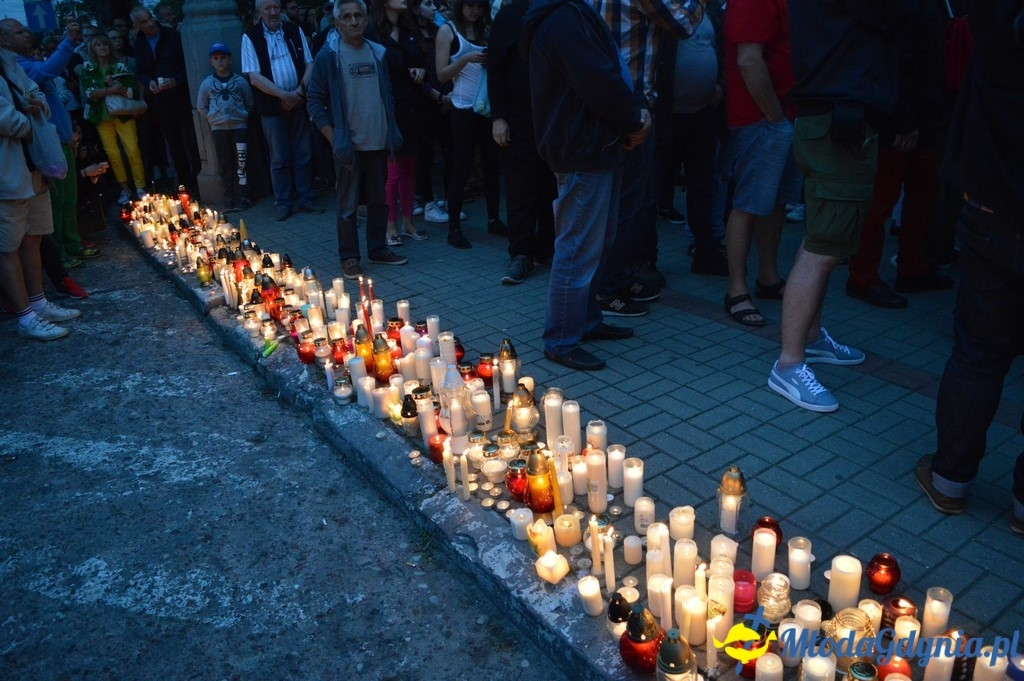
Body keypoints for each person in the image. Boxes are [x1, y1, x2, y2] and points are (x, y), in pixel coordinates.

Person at [768, 0, 919, 412]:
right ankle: (789, 363)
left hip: (839, 118)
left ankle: (810, 338)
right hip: (838, 120)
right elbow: (903, 14)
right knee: (823, 247)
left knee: (824, 239)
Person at [917, 0, 1024, 536]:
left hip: (994, 206)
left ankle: (951, 479)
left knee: (979, 352)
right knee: (978, 352)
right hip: (992, 209)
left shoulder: (997, 22)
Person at [523, 0, 650, 371]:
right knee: (578, 248)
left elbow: (603, 75)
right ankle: (561, 339)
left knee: (596, 244)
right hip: (582, 148)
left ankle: (586, 321)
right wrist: (631, 120)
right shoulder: (564, 16)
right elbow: (597, 80)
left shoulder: (569, 13)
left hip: (593, 145)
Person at [589, 0, 707, 318]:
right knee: (626, 205)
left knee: (625, 203)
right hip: (630, 102)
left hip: (611, 97)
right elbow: (683, 24)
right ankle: (607, 290)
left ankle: (618, 279)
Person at [845, 3, 953, 309]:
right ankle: (863, 277)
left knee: (922, 197)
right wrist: (904, 119)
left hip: (924, 115)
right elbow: (898, 60)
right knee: (881, 202)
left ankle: (912, 269)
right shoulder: (904, 8)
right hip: (899, 118)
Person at [307, 0, 408, 280]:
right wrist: (334, 139)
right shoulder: (329, 56)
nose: (353, 21)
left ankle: (378, 249)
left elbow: (387, 94)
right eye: (347, 16)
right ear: (337, 22)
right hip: (348, 147)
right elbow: (314, 102)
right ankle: (349, 257)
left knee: (379, 200)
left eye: (358, 15)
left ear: (366, 19)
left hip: (378, 141)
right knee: (347, 205)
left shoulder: (377, 52)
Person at [720, 0, 799, 327]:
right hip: (762, 118)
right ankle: (736, 290)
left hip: (782, 116)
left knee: (776, 202)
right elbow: (748, 59)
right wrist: (775, 117)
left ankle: (768, 277)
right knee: (749, 204)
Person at [0, 45, 81, 341]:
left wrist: (34, 108)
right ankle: (25, 316)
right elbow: (8, 120)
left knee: (33, 236)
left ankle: (39, 302)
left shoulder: (9, 61)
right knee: (8, 246)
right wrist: (31, 114)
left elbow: (38, 96)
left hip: (33, 164)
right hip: (7, 170)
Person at [5, 18, 100, 268]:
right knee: (56, 202)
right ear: (4, 40)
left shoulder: (23, 64)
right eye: (19, 32)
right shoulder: (20, 67)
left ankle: (72, 242)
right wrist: (68, 41)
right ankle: (60, 252)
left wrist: (70, 133)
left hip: (62, 140)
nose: (27, 34)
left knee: (69, 198)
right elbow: (46, 71)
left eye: (25, 30)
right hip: (48, 144)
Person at [487, 0, 555, 285]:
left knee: (552, 189)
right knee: (520, 190)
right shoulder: (510, 14)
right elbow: (495, 68)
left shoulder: (557, 10)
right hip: (518, 119)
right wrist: (499, 117)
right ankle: (521, 253)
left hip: (554, 118)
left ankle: (547, 247)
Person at [242, 0, 322, 221]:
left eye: (276, 7)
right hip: (271, 107)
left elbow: (310, 63)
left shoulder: (293, 30)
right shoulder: (250, 37)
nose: (272, 12)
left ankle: (305, 198)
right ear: (259, 11)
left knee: (304, 153)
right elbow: (254, 77)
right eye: (267, 8)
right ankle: (283, 202)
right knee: (278, 158)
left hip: (298, 101)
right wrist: (284, 95)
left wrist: (299, 91)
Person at [434, 0, 505, 249]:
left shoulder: (486, 28)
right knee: (461, 167)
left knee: (491, 165)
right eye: (470, 5)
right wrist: (466, 59)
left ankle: (494, 219)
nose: (474, 11)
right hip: (463, 107)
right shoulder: (448, 31)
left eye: (479, 6)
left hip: (486, 107)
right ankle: (454, 228)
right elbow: (441, 74)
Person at [368, 0, 430, 246]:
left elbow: (421, 59)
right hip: (388, 111)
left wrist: (421, 70)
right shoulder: (374, 33)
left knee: (410, 169)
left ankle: (408, 222)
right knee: (392, 173)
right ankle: (390, 224)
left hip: (412, 108)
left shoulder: (408, 29)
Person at [132, 5, 201, 195]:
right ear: (137, 25)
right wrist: (149, 83)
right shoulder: (139, 43)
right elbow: (141, 71)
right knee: (173, 142)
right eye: (144, 21)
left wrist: (176, 81)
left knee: (191, 139)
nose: (150, 23)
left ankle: (199, 179)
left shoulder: (171, 36)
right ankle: (185, 183)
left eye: (150, 17)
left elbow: (188, 64)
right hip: (160, 100)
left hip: (181, 95)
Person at [80, 34, 148, 205]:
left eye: (105, 44)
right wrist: (113, 89)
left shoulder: (119, 67)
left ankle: (140, 187)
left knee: (132, 150)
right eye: (98, 45)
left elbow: (131, 91)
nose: (102, 47)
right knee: (113, 155)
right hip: (101, 117)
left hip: (123, 115)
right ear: (93, 49)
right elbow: (90, 94)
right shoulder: (88, 68)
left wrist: (113, 87)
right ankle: (125, 189)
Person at [197, 42, 254, 213]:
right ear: (211, 62)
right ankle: (229, 197)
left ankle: (244, 196)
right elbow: (201, 106)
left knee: (242, 162)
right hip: (219, 129)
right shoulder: (207, 84)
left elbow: (249, 101)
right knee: (224, 163)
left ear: (230, 59)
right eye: (216, 58)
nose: (220, 61)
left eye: (223, 57)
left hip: (239, 127)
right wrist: (213, 118)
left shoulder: (240, 82)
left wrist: (242, 115)